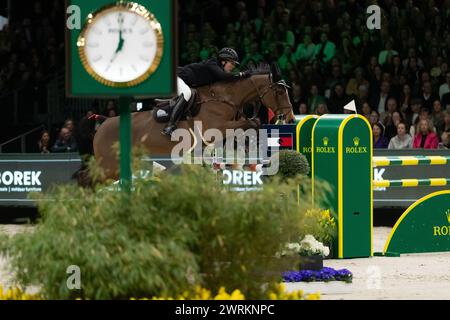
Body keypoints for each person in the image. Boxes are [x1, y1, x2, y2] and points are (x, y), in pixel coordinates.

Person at [162, 47, 251, 136]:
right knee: (187, 93)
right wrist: (241, 74)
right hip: (177, 76)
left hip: (187, 82)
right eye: (232, 63)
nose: (233, 66)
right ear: (223, 62)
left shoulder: (218, 70)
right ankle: (170, 126)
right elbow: (224, 76)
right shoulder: (212, 63)